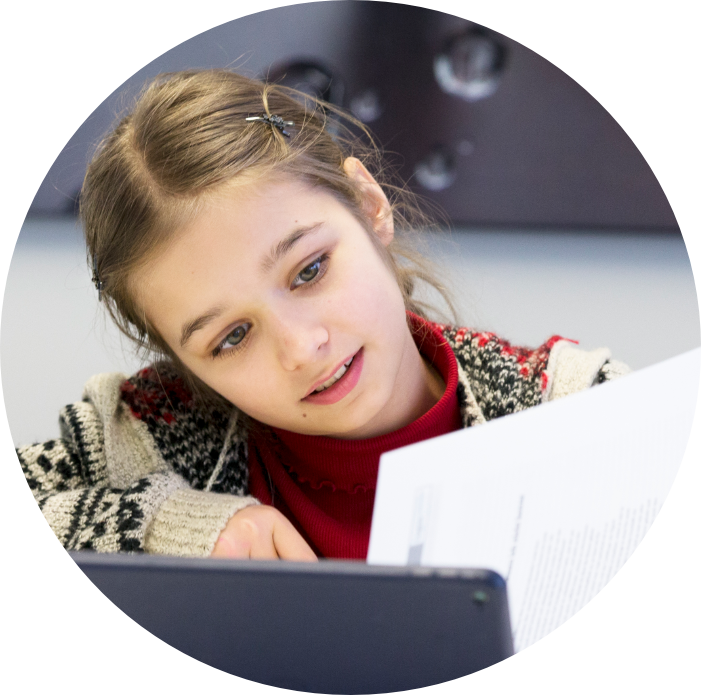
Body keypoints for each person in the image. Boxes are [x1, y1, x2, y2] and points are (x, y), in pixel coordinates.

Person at [17, 69, 629, 563]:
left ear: (369, 204)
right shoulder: (141, 435)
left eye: (309, 271)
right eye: (232, 337)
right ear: (182, 362)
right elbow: (26, 525)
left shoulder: (582, 412)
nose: (301, 348)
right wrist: (168, 528)